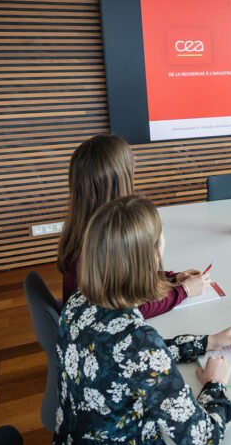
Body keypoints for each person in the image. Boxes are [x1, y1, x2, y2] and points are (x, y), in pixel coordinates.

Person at [51, 195, 231, 445]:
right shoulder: (139, 342)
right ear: (151, 257)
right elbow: (202, 441)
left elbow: (126, 357)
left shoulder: (78, 302)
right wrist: (215, 385)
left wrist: (207, 342)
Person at [57, 134, 205, 316]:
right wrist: (184, 291)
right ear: (120, 178)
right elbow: (132, 310)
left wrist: (172, 278)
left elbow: (126, 280)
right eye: (132, 161)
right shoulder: (106, 242)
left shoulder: (84, 228)